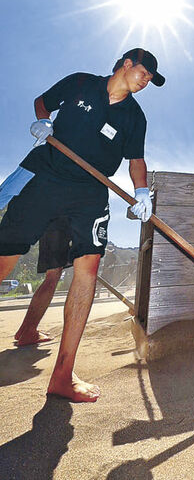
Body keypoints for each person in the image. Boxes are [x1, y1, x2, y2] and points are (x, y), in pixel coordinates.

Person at [0, 48, 165, 401]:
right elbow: (42, 102)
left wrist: (141, 191)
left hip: (91, 190)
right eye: (145, 72)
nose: (147, 79)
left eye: (151, 79)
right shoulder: (80, 83)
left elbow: (136, 159)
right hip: (47, 173)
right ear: (127, 63)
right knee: (8, 251)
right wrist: (43, 122)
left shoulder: (136, 117)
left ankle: (63, 374)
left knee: (87, 265)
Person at [14, 217, 72, 346]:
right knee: (53, 277)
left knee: (51, 276)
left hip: (49, 222)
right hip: (60, 223)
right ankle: (29, 332)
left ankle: (24, 329)